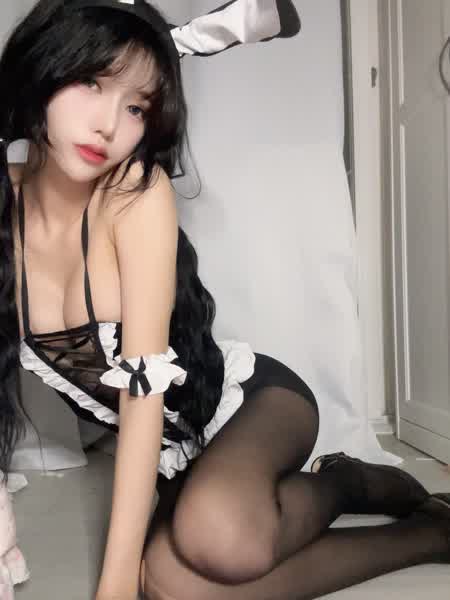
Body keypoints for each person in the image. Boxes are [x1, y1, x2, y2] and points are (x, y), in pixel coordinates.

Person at [0, 1, 448, 599]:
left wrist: (113, 588)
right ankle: (427, 535)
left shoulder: (135, 193)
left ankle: (345, 486)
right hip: (175, 449)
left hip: (251, 402)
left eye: (136, 107)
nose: (109, 124)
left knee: (221, 539)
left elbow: (143, 396)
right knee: (173, 587)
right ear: (42, 69)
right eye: (91, 83)